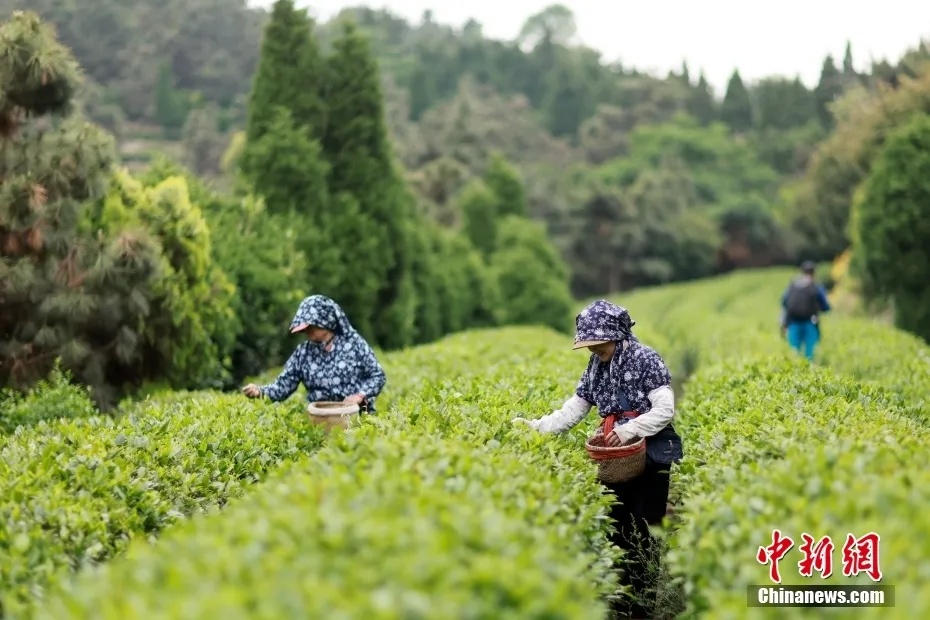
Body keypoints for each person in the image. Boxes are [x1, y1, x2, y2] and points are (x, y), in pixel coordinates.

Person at [512, 300, 683, 619]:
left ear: (616, 336)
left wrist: (631, 428)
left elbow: (664, 409)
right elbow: (574, 409)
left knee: (646, 531)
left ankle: (644, 605)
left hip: (652, 452)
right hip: (617, 457)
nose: (593, 351)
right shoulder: (596, 367)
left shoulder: (646, 359)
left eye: (598, 345)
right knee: (617, 529)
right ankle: (622, 601)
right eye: (590, 346)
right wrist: (536, 428)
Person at [241, 295, 386, 411]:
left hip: (356, 416)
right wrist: (260, 391)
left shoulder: (354, 343)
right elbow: (282, 386)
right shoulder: (303, 353)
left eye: (310, 326)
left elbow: (377, 376)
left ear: (324, 321)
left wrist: (359, 396)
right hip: (320, 418)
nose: (306, 330)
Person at [779, 260, 831, 361]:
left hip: (793, 322)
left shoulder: (793, 285)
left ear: (802, 271)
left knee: (794, 352)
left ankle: (795, 372)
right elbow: (825, 305)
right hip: (810, 322)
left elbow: (784, 301)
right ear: (814, 272)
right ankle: (809, 371)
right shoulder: (815, 286)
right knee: (809, 352)